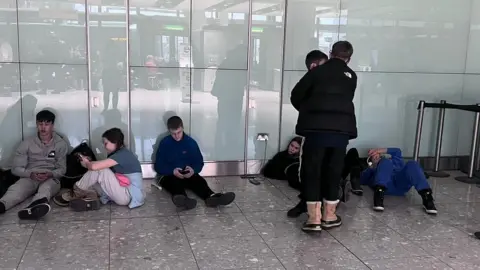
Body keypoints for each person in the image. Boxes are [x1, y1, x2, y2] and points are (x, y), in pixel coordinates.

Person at [290, 41, 358, 232]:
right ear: (349, 58)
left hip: (316, 131)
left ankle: (314, 219)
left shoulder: (316, 72)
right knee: (333, 171)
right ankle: (330, 215)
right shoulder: (351, 76)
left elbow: (296, 95)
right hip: (341, 132)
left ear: (331, 53)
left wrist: (308, 111)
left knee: (312, 171)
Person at [153, 116, 235, 210]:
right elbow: (158, 166)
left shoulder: (190, 143)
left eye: (179, 132)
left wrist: (193, 170)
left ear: (182, 128)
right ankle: (183, 200)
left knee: (199, 181)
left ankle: (212, 197)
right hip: (169, 175)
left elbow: (199, 162)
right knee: (173, 184)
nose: (177, 136)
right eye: (173, 134)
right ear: (169, 131)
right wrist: (172, 171)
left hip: (187, 174)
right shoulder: (164, 143)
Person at [54, 128, 144, 211]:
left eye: (106, 143)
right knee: (94, 179)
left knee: (100, 170)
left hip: (128, 195)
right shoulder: (119, 154)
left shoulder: (123, 155)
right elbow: (96, 168)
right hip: (123, 191)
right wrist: (87, 163)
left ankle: (75, 193)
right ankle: (91, 199)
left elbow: (96, 168)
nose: (104, 147)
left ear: (115, 142)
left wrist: (88, 163)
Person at [0, 110, 68, 220]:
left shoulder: (60, 144)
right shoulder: (27, 143)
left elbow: (62, 169)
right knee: (17, 190)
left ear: (52, 125)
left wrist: (50, 174)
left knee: (46, 188)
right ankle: (2, 205)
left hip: (51, 178)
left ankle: (35, 207)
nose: (43, 127)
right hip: (30, 175)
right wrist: (30, 174)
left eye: (47, 124)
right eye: (40, 124)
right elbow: (15, 169)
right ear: (37, 124)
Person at [283, 147, 364, 218]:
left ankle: (351, 180)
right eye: (292, 145)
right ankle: (339, 186)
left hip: (329, 172)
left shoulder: (310, 159)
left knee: (352, 152)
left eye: (296, 148)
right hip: (316, 177)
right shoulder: (284, 158)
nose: (292, 149)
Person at [360, 148, 437, 214]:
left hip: (401, 183)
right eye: (373, 157)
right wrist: (372, 167)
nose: (376, 156)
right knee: (385, 162)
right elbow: (362, 180)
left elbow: (397, 151)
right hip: (385, 186)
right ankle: (378, 199)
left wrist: (377, 150)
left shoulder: (396, 161)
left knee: (412, 164)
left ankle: (427, 198)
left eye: (377, 155)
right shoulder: (374, 169)